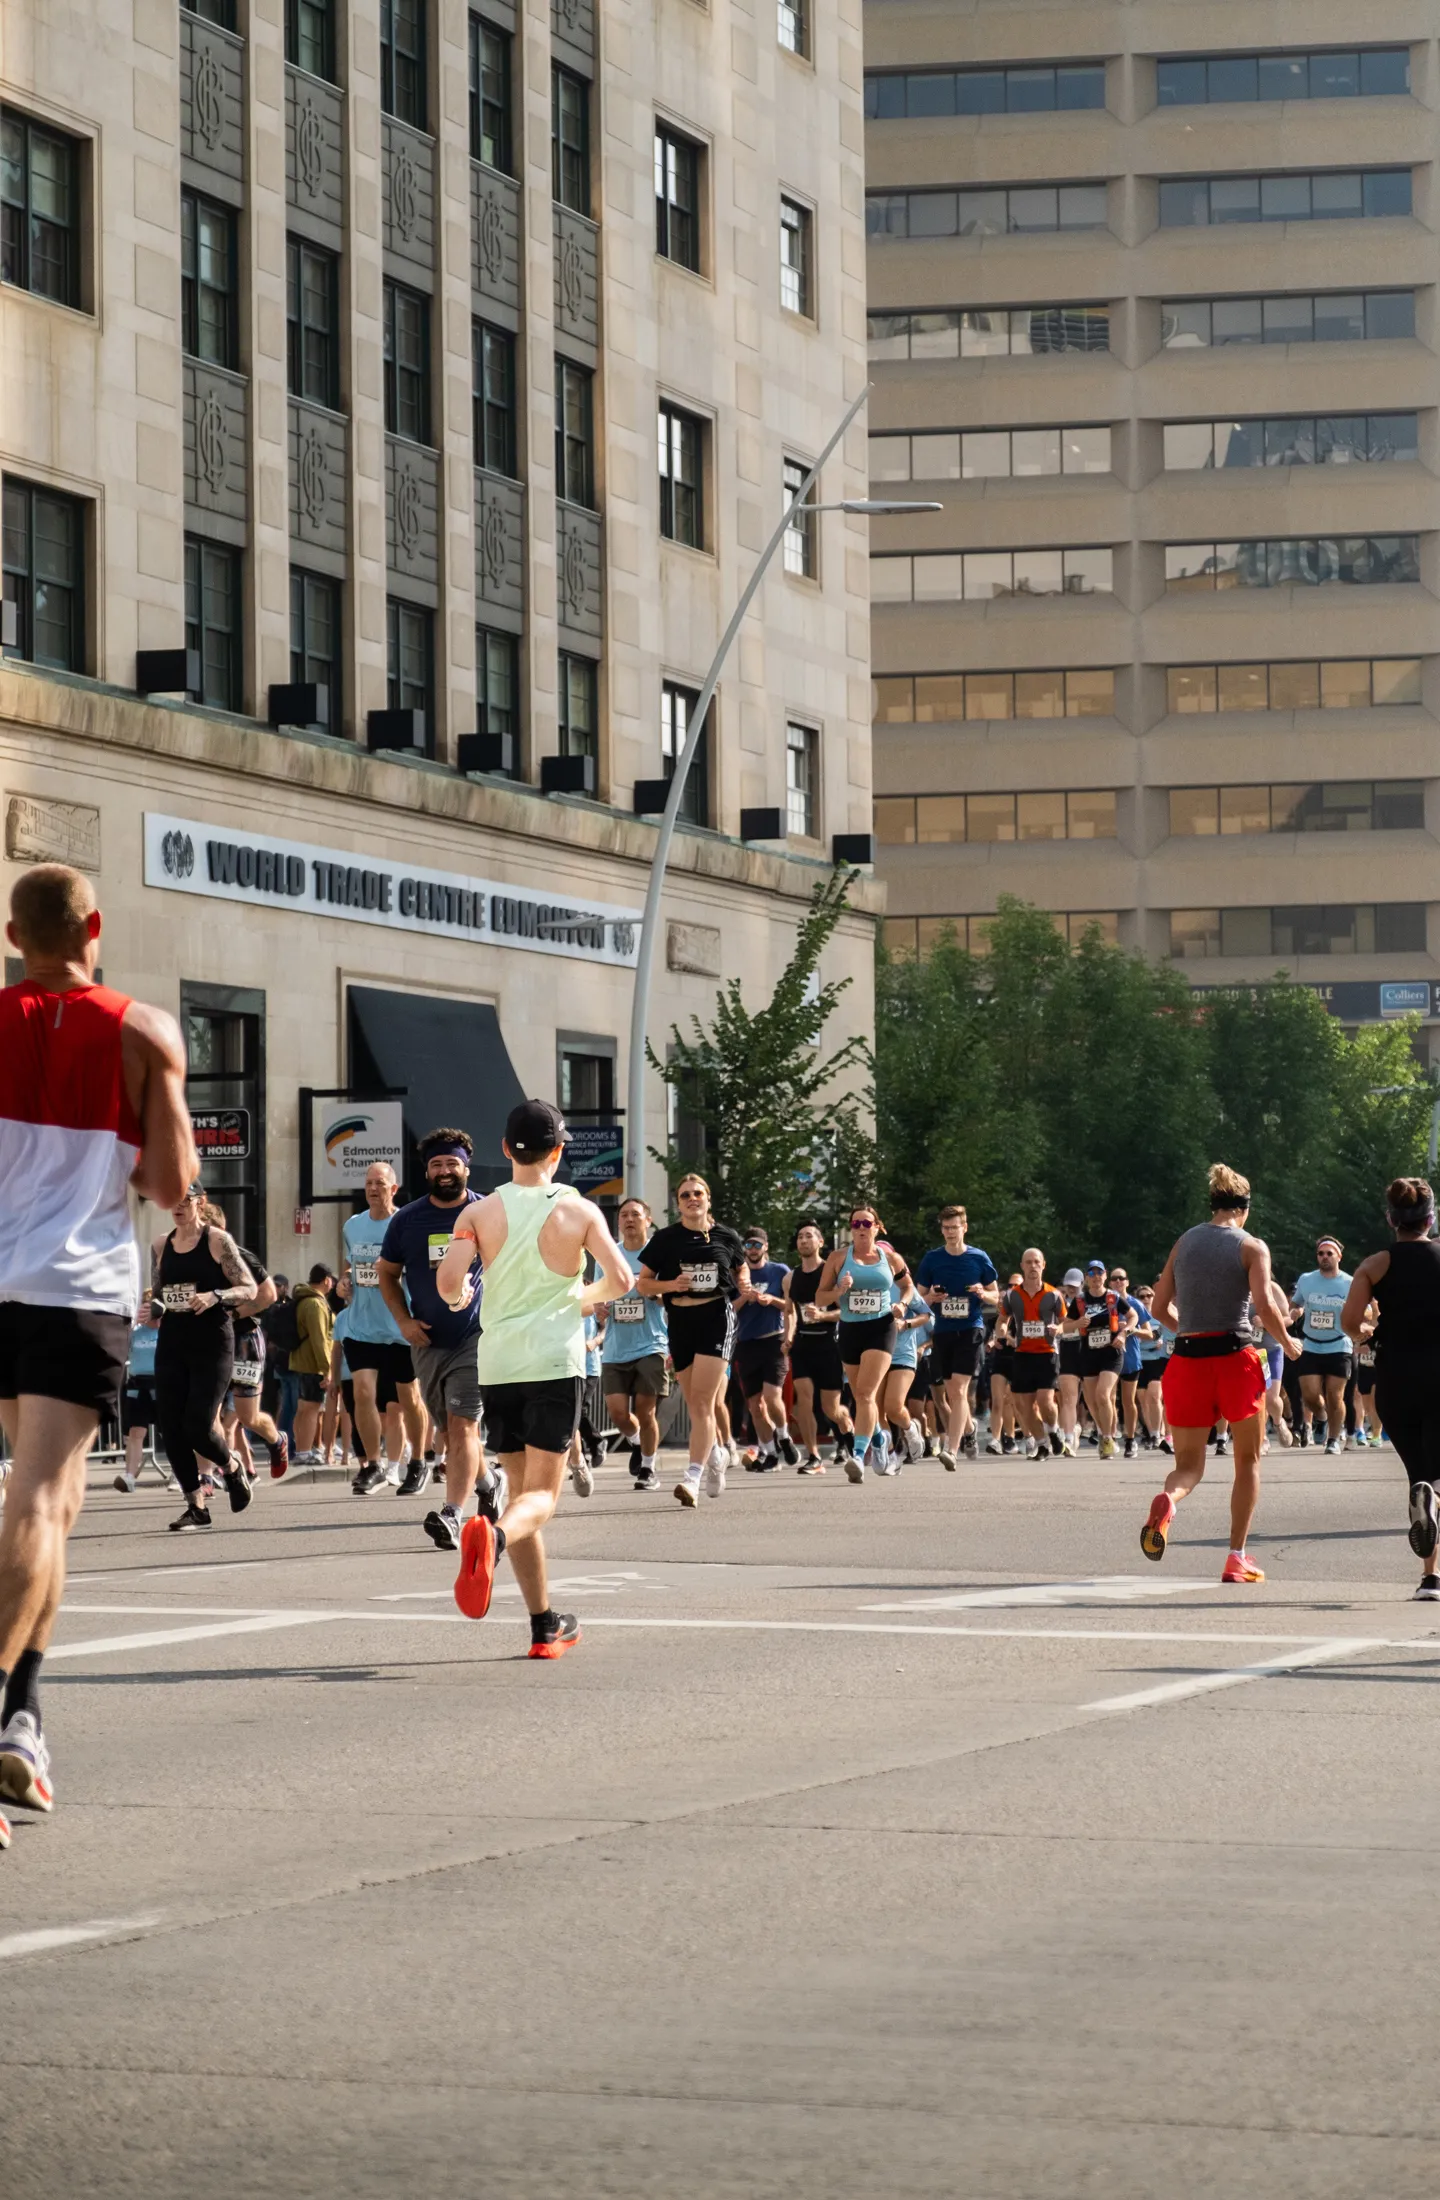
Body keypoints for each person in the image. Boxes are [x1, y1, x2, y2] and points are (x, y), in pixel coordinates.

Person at [0, 863, 195, 1841]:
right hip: (75, 1285)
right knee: (40, 1499)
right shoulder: (141, 1029)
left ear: (12, 933)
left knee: (54, 1509)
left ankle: (25, 1719)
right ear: (96, 927)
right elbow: (168, 1183)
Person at [439, 1099, 633, 1658]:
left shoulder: (478, 1214)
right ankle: (492, 1537)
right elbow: (621, 1280)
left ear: (505, 1150)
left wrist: (462, 1294)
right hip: (553, 1362)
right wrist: (580, 1295)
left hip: (497, 1365)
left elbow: (450, 1283)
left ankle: (544, 1625)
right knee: (542, 1498)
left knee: (520, 1494)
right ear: (559, 1150)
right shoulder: (578, 1212)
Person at [1140, 1163, 1301, 1583]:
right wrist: (1287, 1342)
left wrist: (1189, 1331)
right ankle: (1236, 1556)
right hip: (1235, 1358)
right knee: (1247, 1461)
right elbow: (1265, 1307)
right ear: (1244, 1207)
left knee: (1188, 1465)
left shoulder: (1185, 1242)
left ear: (1212, 1205)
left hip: (1188, 1360)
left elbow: (1157, 1309)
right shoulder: (1251, 1246)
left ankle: (1169, 1500)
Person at [378, 1128, 504, 1550]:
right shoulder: (407, 1220)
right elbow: (387, 1273)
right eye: (436, 1164)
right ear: (426, 1171)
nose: (445, 1171)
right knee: (450, 1433)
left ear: (466, 1167)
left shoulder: (489, 1211)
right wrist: (403, 1321)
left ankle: (452, 1514)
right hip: (427, 1340)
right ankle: (488, 1483)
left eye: (452, 1163)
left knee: (463, 1425)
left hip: (476, 1336)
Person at [1341, 1178, 1440, 1600]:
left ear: (1391, 1219)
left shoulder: (1376, 1264)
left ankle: (1430, 1578)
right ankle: (1432, 1577)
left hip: (1395, 1379)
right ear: (1431, 1218)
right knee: (1433, 1476)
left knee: (1420, 1471)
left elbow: (1349, 1323)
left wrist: (1370, 1330)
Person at [635, 1174, 748, 1505]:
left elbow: (741, 1270)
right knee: (698, 1404)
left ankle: (692, 1477)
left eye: (698, 1193)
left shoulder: (727, 1236)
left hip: (716, 1317)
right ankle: (715, 1456)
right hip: (681, 1321)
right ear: (678, 1203)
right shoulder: (666, 1239)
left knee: (701, 1400)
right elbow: (644, 1284)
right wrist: (672, 1286)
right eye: (685, 1195)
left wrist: (745, 1282)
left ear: (708, 1199)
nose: (692, 1199)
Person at [152, 1185, 258, 1532]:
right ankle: (195, 1505)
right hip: (171, 1342)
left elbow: (249, 1288)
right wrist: (149, 1307)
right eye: (173, 1202)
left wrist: (217, 1295)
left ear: (200, 1203)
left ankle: (232, 1467)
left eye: (185, 1201)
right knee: (171, 1427)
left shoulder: (217, 1241)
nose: (178, 1208)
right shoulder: (160, 1245)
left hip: (212, 1342)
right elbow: (159, 1294)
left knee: (197, 1424)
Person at [342, 1161, 427, 1497]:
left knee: (409, 1398)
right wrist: (345, 1282)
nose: (373, 1189)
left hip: (399, 1326)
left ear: (394, 1189)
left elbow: (420, 1272)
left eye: (380, 1183)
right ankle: (373, 1465)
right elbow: (350, 1265)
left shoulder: (406, 1223)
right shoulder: (352, 1225)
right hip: (361, 1326)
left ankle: (418, 1462)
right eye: (368, 1183)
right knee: (362, 1391)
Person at [818, 1205, 913, 1481]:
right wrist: (839, 1290)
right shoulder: (837, 1258)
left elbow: (908, 1286)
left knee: (867, 1394)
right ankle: (881, 1440)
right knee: (860, 1394)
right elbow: (820, 1298)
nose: (860, 1228)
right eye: (856, 1223)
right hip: (850, 1329)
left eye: (866, 1223)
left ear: (877, 1227)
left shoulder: (891, 1259)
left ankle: (858, 1456)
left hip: (881, 1327)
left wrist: (902, 1305)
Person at [202, 1199, 288, 1483]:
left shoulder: (239, 1256)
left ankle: (277, 1440)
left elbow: (268, 1296)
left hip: (244, 1340)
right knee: (207, 1411)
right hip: (212, 1341)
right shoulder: (193, 1260)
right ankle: (213, 1474)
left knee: (247, 1417)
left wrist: (234, 1313)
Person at [916, 1205, 998, 1468]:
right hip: (943, 1331)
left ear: (965, 1227)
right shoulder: (932, 1259)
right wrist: (932, 1298)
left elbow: (996, 1296)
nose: (951, 1232)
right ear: (942, 1230)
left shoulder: (978, 1257)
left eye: (955, 1227)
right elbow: (919, 1298)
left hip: (971, 1329)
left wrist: (982, 1294)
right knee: (953, 1393)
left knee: (959, 1390)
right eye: (946, 1228)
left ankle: (951, 1450)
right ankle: (970, 1429)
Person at [601, 1197, 670, 1490]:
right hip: (616, 1346)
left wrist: (654, 1293)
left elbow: (671, 1294)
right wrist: (599, 1307)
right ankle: (637, 1443)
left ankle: (648, 1470)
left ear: (648, 1220)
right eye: (624, 1215)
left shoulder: (659, 1255)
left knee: (646, 1410)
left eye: (636, 1214)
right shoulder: (609, 1256)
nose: (629, 1219)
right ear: (619, 1222)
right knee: (618, 1413)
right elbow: (597, 1294)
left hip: (651, 1343)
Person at [783, 1219, 854, 1474]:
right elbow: (789, 1311)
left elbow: (846, 1311)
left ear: (820, 1242)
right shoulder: (790, 1278)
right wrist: (787, 1336)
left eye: (809, 1236)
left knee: (831, 1408)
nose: (803, 1240)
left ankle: (849, 1435)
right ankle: (813, 1457)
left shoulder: (831, 1274)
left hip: (829, 1344)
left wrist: (822, 1315)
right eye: (800, 1236)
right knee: (803, 1399)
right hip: (802, 1344)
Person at [734, 1227, 799, 1472]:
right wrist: (744, 1298)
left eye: (757, 1245)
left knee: (772, 1397)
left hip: (773, 1340)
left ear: (766, 1247)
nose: (752, 1249)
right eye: (748, 1245)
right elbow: (729, 1309)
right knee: (755, 1407)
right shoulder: (738, 1274)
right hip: (746, 1343)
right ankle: (770, 1454)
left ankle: (783, 1436)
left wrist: (771, 1300)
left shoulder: (779, 1271)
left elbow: (791, 1307)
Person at [1290, 1238, 1354, 1454]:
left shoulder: (1349, 1282)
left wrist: (1364, 1319)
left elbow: (1363, 1309)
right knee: (1309, 1395)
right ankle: (1321, 1417)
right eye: (1321, 1254)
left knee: (1335, 1396)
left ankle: (1333, 1439)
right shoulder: (1307, 1280)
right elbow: (1296, 1303)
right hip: (1312, 1344)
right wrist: (1296, 1312)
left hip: (1339, 1344)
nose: (1324, 1257)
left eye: (1329, 1253)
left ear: (1339, 1256)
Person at [1064, 1260, 1132, 1461]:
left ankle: (1108, 1438)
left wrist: (1123, 1333)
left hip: (1111, 1352)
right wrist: (1077, 1323)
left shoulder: (1113, 1297)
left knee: (1103, 1394)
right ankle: (1103, 1433)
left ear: (1105, 1275)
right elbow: (1065, 1327)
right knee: (1092, 1400)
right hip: (1089, 1353)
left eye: (1099, 1273)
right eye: (1091, 1274)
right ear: (1086, 1278)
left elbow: (1133, 1316)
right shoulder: (1080, 1301)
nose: (1095, 1277)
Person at [1002, 1251, 1065, 1459]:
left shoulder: (1054, 1295)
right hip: (1022, 1354)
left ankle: (1054, 1430)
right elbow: (1002, 1319)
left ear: (1043, 1265)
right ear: (1022, 1265)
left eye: (1036, 1262)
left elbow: (1067, 1321)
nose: (1033, 1266)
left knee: (1045, 1401)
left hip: (1047, 1353)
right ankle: (1042, 1444)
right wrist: (1002, 1329)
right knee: (1024, 1405)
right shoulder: (1012, 1296)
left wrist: (1059, 1328)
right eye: (1028, 1262)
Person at [114, 1309, 169, 1492]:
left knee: (171, 1434)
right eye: (153, 1315)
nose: (157, 1319)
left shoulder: (168, 1332)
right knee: (135, 1432)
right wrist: (131, 1324)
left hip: (163, 1387)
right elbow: (118, 1348)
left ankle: (179, 1475)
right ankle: (129, 1476)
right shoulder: (135, 1333)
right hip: (138, 1388)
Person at [286, 1263, 335, 1464]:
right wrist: (327, 1369)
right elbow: (320, 1338)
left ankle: (302, 1450)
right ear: (326, 1280)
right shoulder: (315, 1304)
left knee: (304, 1408)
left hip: (301, 1360)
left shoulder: (303, 1299)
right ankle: (304, 1452)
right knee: (311, 1408)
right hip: (312, 1363)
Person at [884, 1283, 933, 1466]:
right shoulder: (863, 1284)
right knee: (876, 1409)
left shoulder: (904, 1288)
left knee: (894, 1407)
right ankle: (890, 1456)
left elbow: (926, 1315)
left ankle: (911, 1429)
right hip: (875, 1352)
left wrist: (906, 1324)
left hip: (903, 1354)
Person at [1132, 1285, 1175, 1454]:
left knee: (1155, 1396)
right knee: (1143, 1399)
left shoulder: (1160, 1314)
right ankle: (1152, 1433)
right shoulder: (1136, 1317)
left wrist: (1160, 1340)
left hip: (1158, 1360)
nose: (1146, 1299)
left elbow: (1168, 1332)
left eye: (1150, 1295)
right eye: (1142, 1296)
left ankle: (1161, 1434)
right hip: (1141, 1360)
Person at [1055, 1266, 1086, 1454]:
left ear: (1082, 1285)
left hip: (1087, 1350)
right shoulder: (1059, 1303)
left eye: (1075, 1285)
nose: (1072, 1289)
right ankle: (1068, 1438)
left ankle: (1106, 1434)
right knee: (1069, 1398)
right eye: (1069, 1286)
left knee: (1092, 1398)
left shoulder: (1089, 1303)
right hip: (1066, 1349)